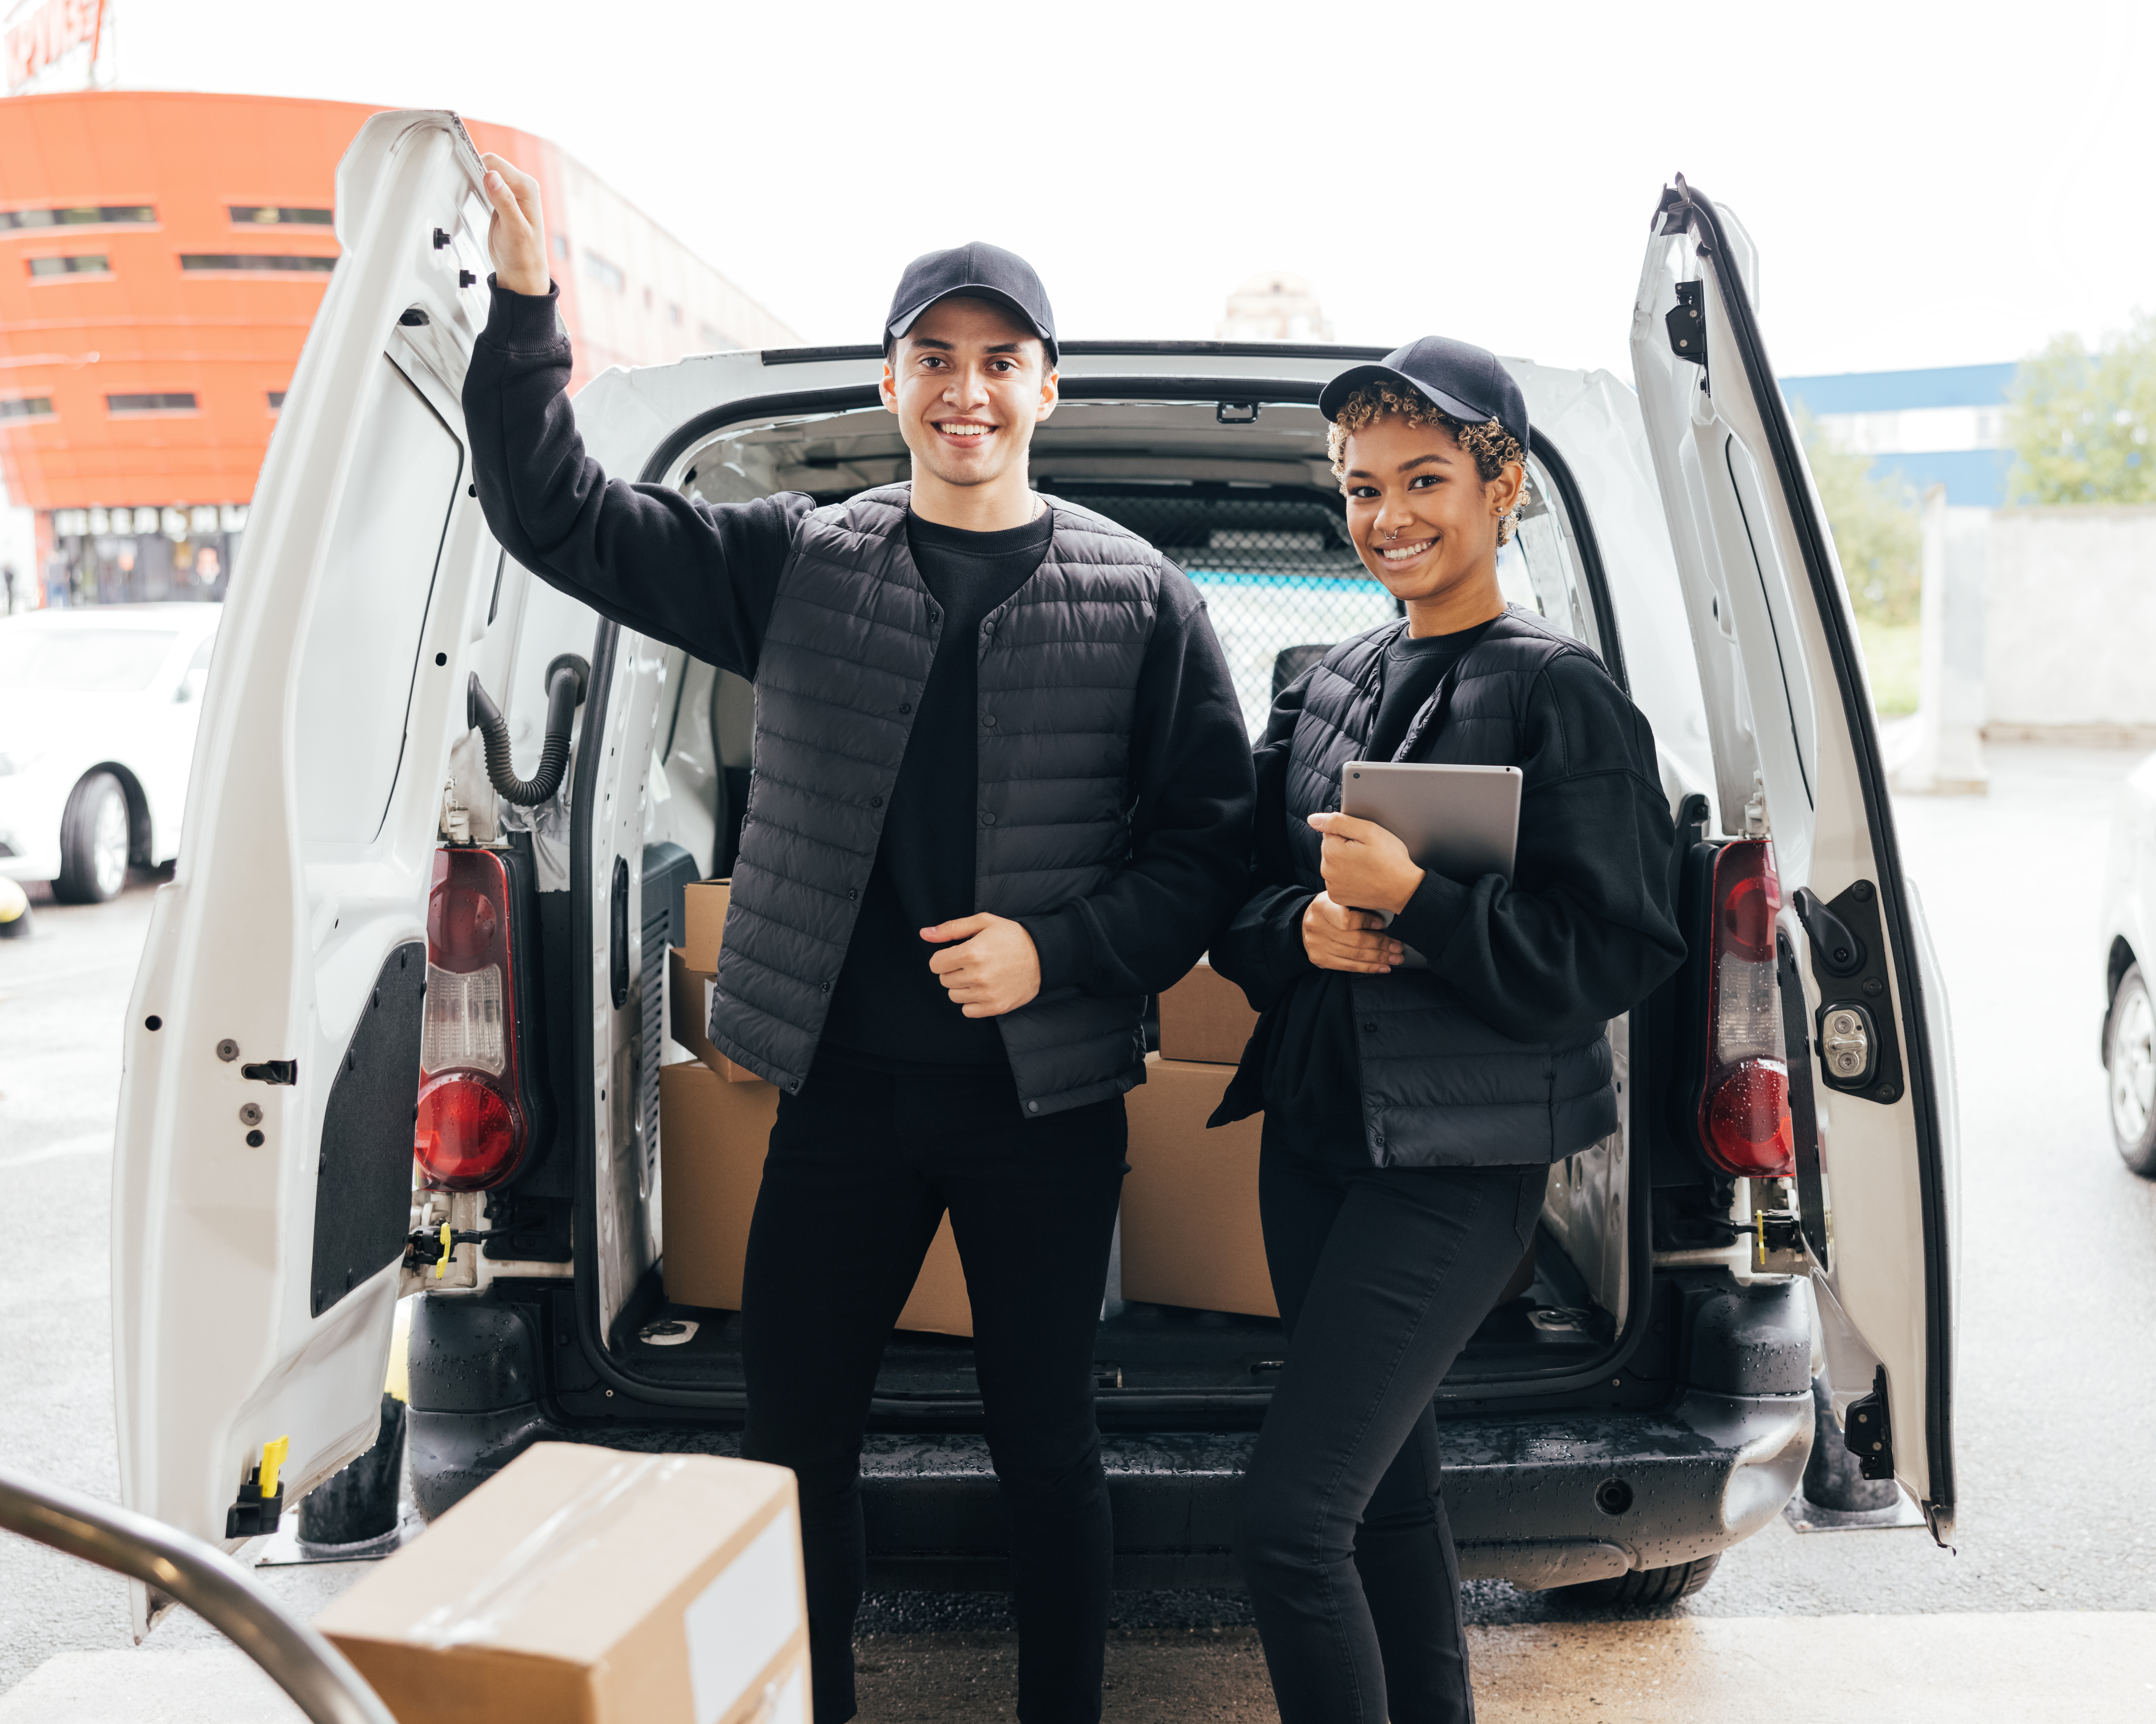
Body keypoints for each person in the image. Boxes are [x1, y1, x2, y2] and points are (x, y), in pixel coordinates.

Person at [464, 157, 1254, 1724]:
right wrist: (527, 307)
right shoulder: (798, 560)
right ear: (895, 380)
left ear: (1047, 386)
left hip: (1045, 1110)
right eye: (936, 359)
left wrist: (1061, 951)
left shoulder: (1142, 598)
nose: (968, 391)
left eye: (1000, 360)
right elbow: (554, 513)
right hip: (839, 1109)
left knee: (1046, 1449)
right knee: (795, 1448)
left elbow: (1208, 852)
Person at [1208, 339, 1685, 1724]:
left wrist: (1421, 901)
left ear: (1503, 485)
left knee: (1288, 1520)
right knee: (1384, 1499)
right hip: (1312, 1138)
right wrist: (1298, 928)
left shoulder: (1561, 692)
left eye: (1424, 479)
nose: (1388, 516)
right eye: (1361, 487)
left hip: (1458, 1166)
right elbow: (1238, 905)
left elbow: (1617, 951)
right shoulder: (1325, 680)